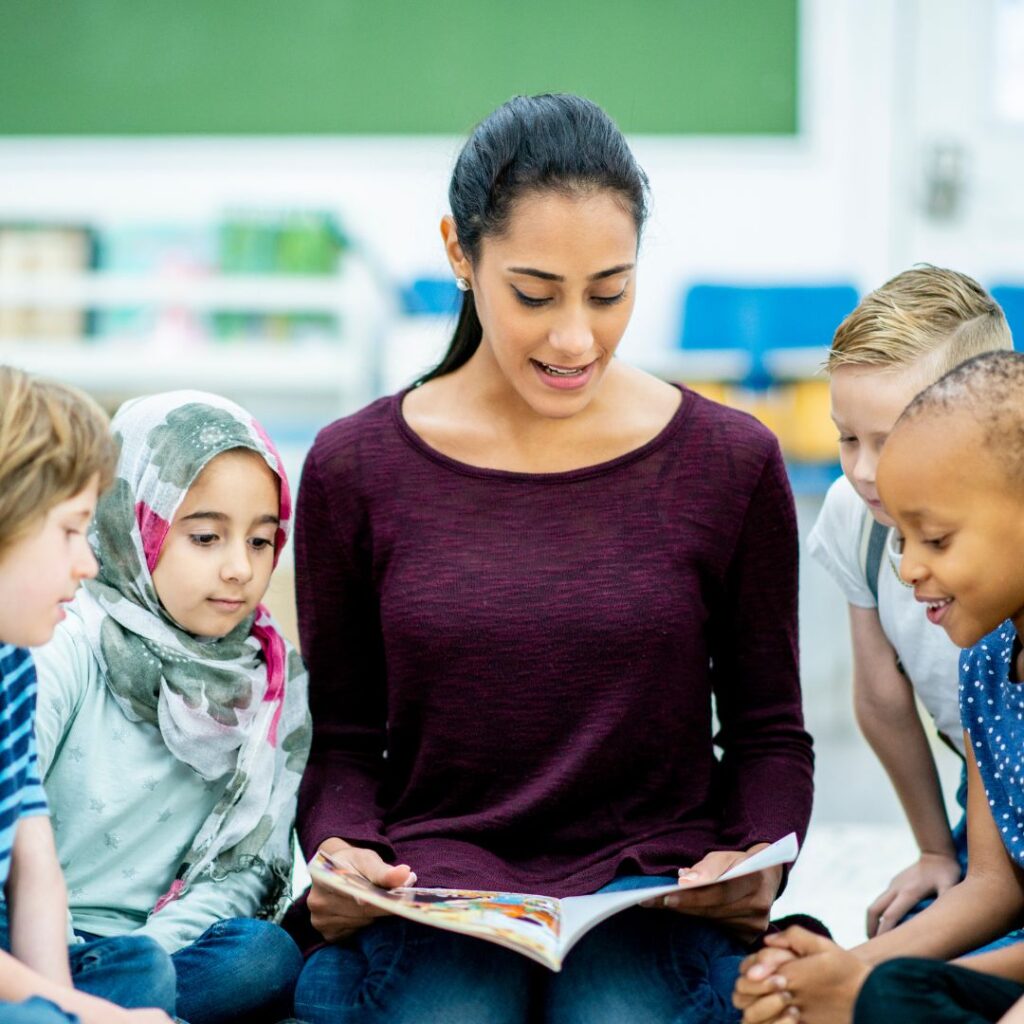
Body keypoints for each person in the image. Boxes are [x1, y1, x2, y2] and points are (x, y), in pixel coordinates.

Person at [286, 93, 814, 1024]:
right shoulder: (355, 466)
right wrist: (340, 846)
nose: (577, 339)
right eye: (536, 294)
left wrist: (758, 855)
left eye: (609, 292)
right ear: (460, 252)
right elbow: (342, 742)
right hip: (436, 883)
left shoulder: (730, 462)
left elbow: (770, 731)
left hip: (653, 885)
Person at [733, 350, 1024, 1024]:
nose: (909, 569)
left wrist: (869, 988)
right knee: (810, 960)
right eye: (901, 541)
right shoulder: (984, 663)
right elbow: (993, 883)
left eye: (937, 539)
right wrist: (843, 976)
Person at [29, 390, 310, 1024]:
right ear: (134, 522)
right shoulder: (66, 639)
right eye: (206, 537)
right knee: (140, 976)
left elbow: (246, 875)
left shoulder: (272, 681)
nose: (240, 568)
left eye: (262, 542)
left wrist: (151, 949)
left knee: (266, 954)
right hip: (35, 942)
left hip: (169, 950)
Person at [807, 267, 1013, 935]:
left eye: (889, 440)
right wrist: (933, 850)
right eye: (847, 438)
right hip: (990, 804)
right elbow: (881, 696)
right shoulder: (852, 515)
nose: (866, 472)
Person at [0, 366, 175, 1024]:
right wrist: (77, 1013)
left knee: (138, 973)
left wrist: (66, 1010)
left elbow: (34, 861)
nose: (89, 563)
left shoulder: (13, 662)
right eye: (70, 530)